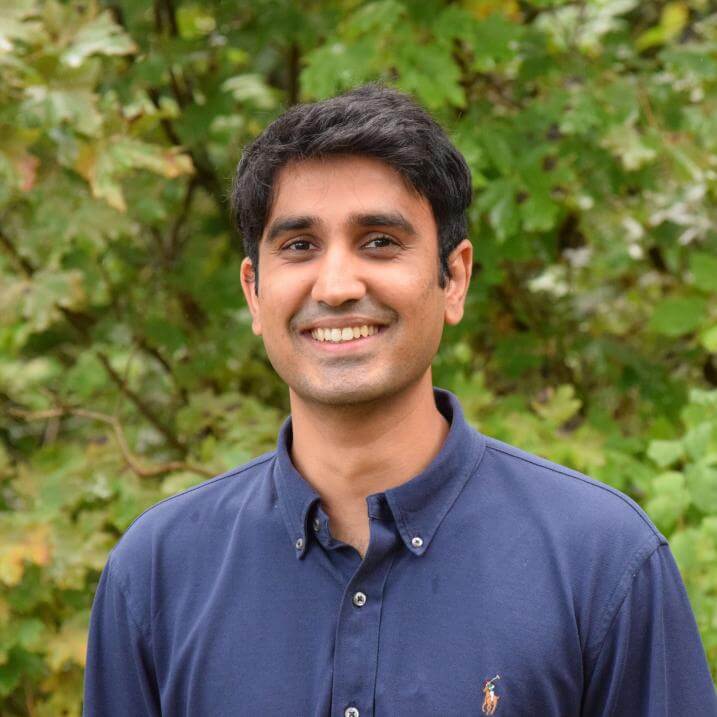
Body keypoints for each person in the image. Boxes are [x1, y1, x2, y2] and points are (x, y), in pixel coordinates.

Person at [83, 84, 717, 716]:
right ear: (254, 292)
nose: (335, 286)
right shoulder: (156, 575)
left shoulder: (602, 562)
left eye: (380, 241)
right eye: (299, 246)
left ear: (455, 278)